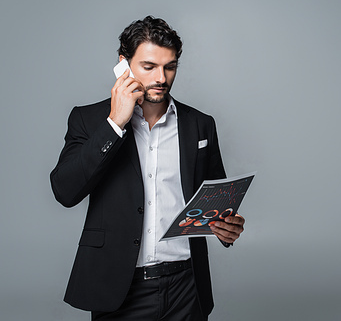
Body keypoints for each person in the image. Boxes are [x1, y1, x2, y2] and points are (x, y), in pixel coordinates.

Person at [50, 16, 245, 320]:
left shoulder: (200, 125)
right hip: (119, 287)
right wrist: (115, 123)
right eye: (149, 66)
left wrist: (226, 228)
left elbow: (216, 199)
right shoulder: (88, 120)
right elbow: (64, 190)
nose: (161, 78)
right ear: (123, 65)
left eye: (170, 67)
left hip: (186, 285)